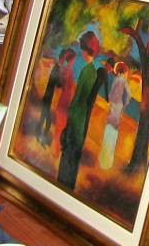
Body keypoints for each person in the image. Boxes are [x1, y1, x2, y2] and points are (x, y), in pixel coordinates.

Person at [57, 31, 108, 189]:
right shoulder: (93, 70)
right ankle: (68, 184)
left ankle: (63, 183)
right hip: (82, 115)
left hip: (77, 115)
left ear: (85, 50)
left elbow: (78, 97)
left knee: (69, 151)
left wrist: (70, 112)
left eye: (82, 49)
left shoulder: (86, 70)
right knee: (75, 152)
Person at [99, 62, 132, 170]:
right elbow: (129, 94)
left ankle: (104, 158)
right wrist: (125, 105)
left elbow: (111, 93)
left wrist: (110, 100)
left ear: (118, 70)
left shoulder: (116, 79)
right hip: (118, 106)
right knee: (114, 129)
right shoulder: (124, 80)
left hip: (113, 104)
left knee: (109, 126)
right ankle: (108, 160)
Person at [52, 48, 77, 156]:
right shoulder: (70, 72)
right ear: (71, 60)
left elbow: (61, 85)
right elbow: (69, 88)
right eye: (74, 59)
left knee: (58, 127)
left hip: (61, 98)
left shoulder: (63, 71)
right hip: (65, 100)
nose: (74, 61)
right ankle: (56, 150)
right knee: (61, 127)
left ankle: (55, 149)